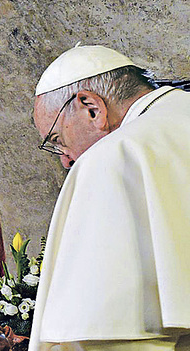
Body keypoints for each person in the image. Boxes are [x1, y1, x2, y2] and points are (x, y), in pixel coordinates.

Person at [30, 45, 190, 350]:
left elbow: (108, 336)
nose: (65, 160)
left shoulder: (115, 156)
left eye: (57, 140)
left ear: (91, 107)